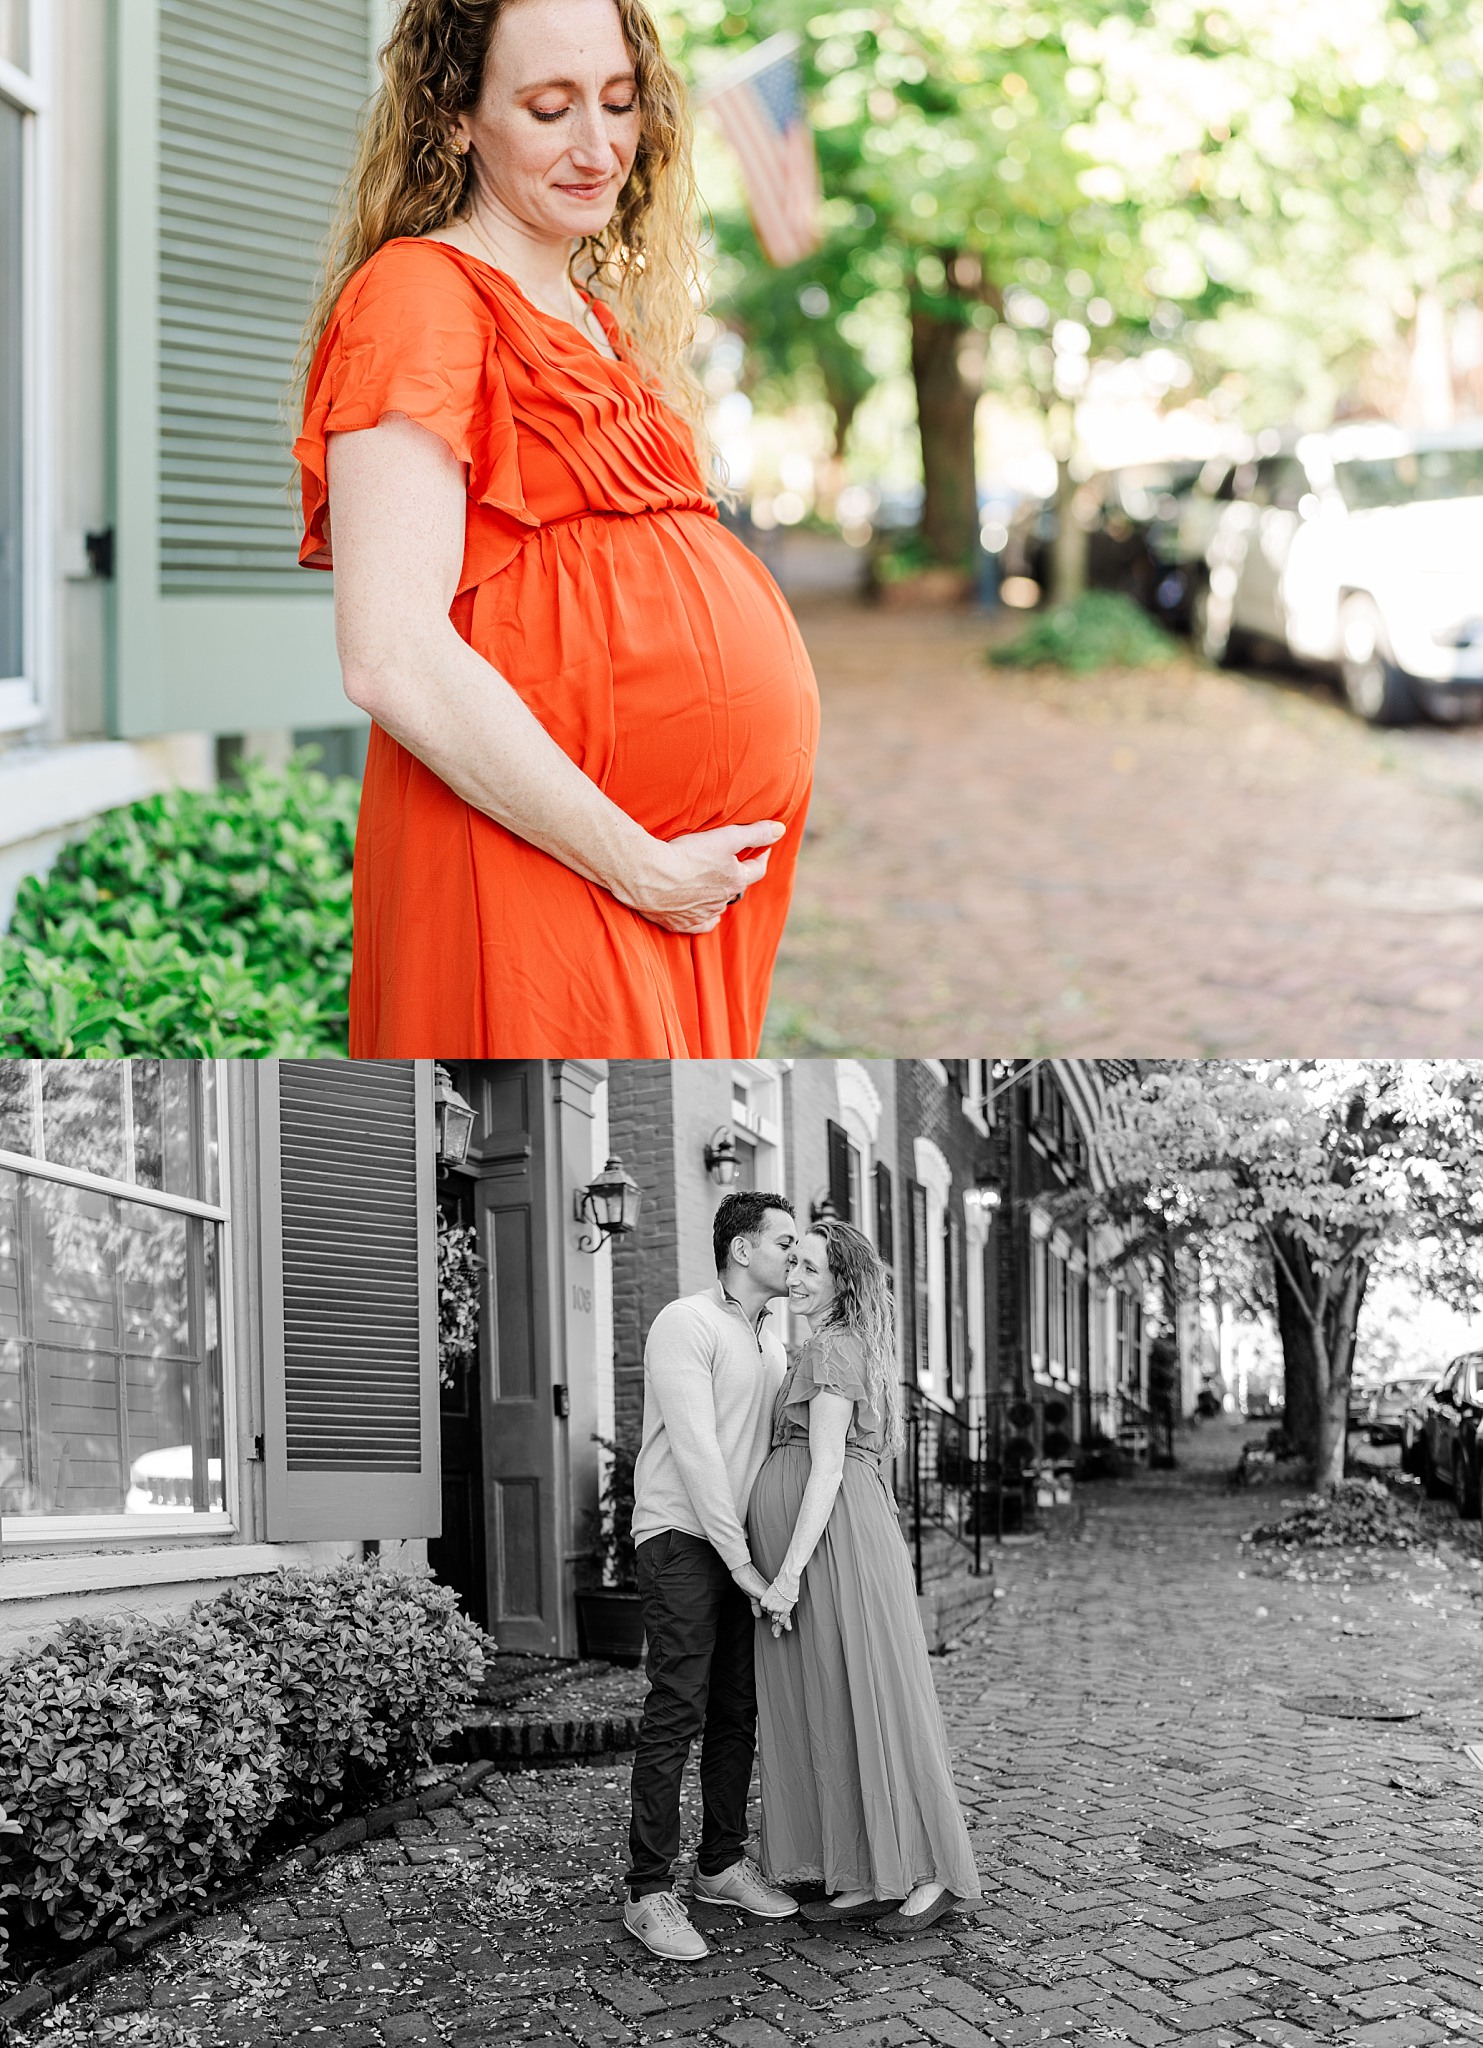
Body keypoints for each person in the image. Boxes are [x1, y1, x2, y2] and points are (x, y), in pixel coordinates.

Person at [293, 0, 819, 1057]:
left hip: (668, 884)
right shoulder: (420, 298)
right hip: (547, 858)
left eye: (619, 103)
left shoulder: (596, 319)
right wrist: (640, 862)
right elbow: (390, 655)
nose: (598, 147)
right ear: (454, 117)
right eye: (548, 108)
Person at [748, 1219, 983, 1934]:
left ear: (842, 1281)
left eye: (811, 1269)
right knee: (837, 1703)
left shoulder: (833, 1347)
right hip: (829, 1543)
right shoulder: (822, 1346)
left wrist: (785, 1573)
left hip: (835, 1545)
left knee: (878, 1700)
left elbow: (825, 1467)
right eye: (792, 1264)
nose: (794, 1277)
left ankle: (932, 1875)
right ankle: (867, 1868)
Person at [622, 1191, 803, 1961]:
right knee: (677, 1708)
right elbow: (697, 1459)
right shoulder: (683, 1322)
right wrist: (740, 1563)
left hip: (739, 1549)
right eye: (784, 1243)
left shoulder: (770, 1338)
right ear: (741, 1248)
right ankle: (646, 1890)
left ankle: (720, 1864)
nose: (795, 1256)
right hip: (680, 1539)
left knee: (738, 1709)